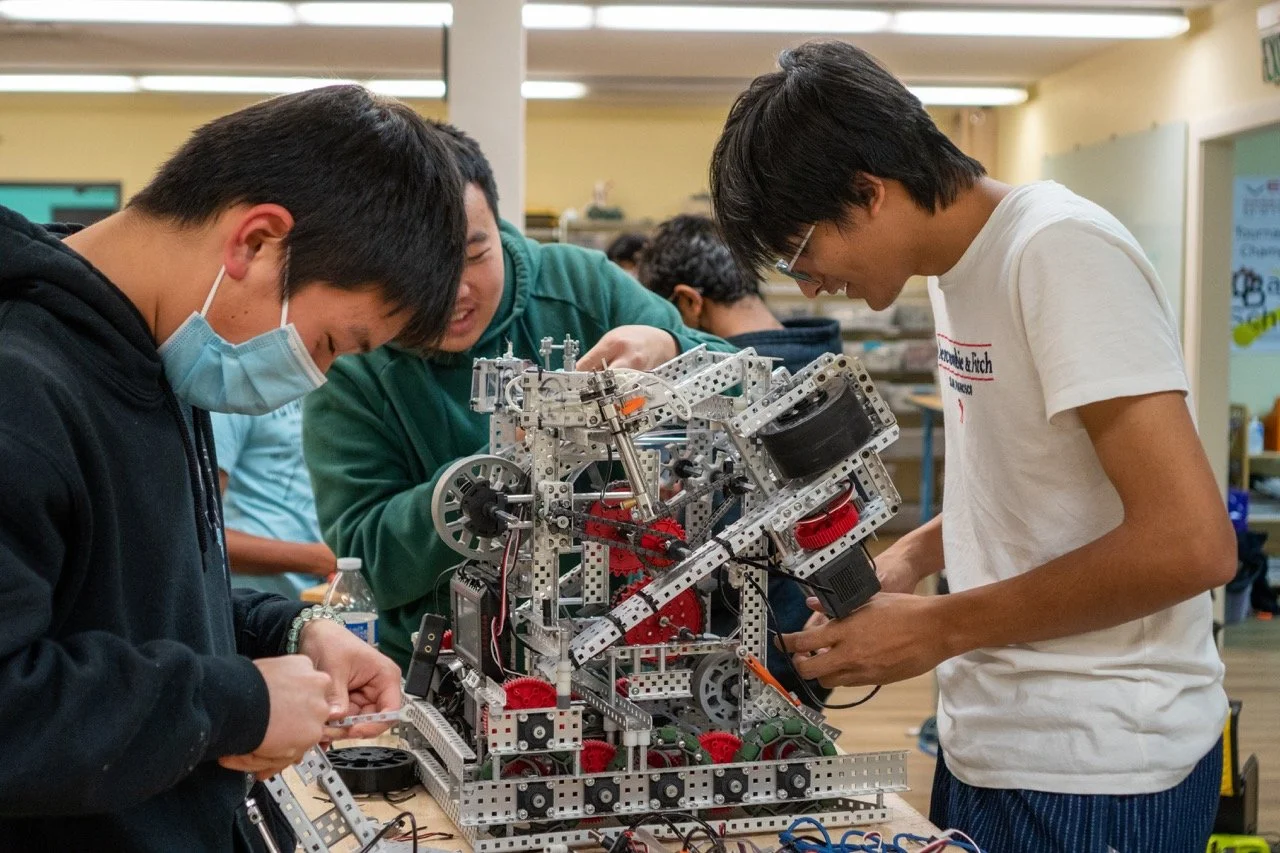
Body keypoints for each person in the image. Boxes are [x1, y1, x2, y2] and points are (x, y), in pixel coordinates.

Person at [710, 41, 1234, 852]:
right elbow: (1033, 487)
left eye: (802, 250)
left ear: (868, 192)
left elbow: (1193, 544)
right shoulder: (960, 266)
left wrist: (940, 627)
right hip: (994, 737)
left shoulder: (1058, 251)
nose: (807, 284)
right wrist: (912, 556)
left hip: (1102, 766)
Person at [0, 85, 466, 850]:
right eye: (330, 343)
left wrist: (294, 631)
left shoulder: (156, 361)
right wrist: (234, 704)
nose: (316, 375)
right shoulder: (24, 385)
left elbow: (143, 605)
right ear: (253, 243)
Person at [304, 123, 734, 670]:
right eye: (423, 273)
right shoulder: (353, 356)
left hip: (625, 645)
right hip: (449, 663)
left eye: (475, 254)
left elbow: (740, 384)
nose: (455, 293)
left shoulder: (583, 286)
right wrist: (492, 478)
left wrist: (669, 343)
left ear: (496, 224)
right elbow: (369, 560)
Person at [638, 212, 842, 707]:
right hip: (813, 636)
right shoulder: (822, 366)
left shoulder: (723, 398)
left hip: (736, 655)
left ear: (688, 302)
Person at [213, 405, 336, 598]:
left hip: (323, 600)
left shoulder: (318, 391)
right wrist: (322, 559)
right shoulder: (231, 402)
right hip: (259, 609)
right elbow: (197, 533)